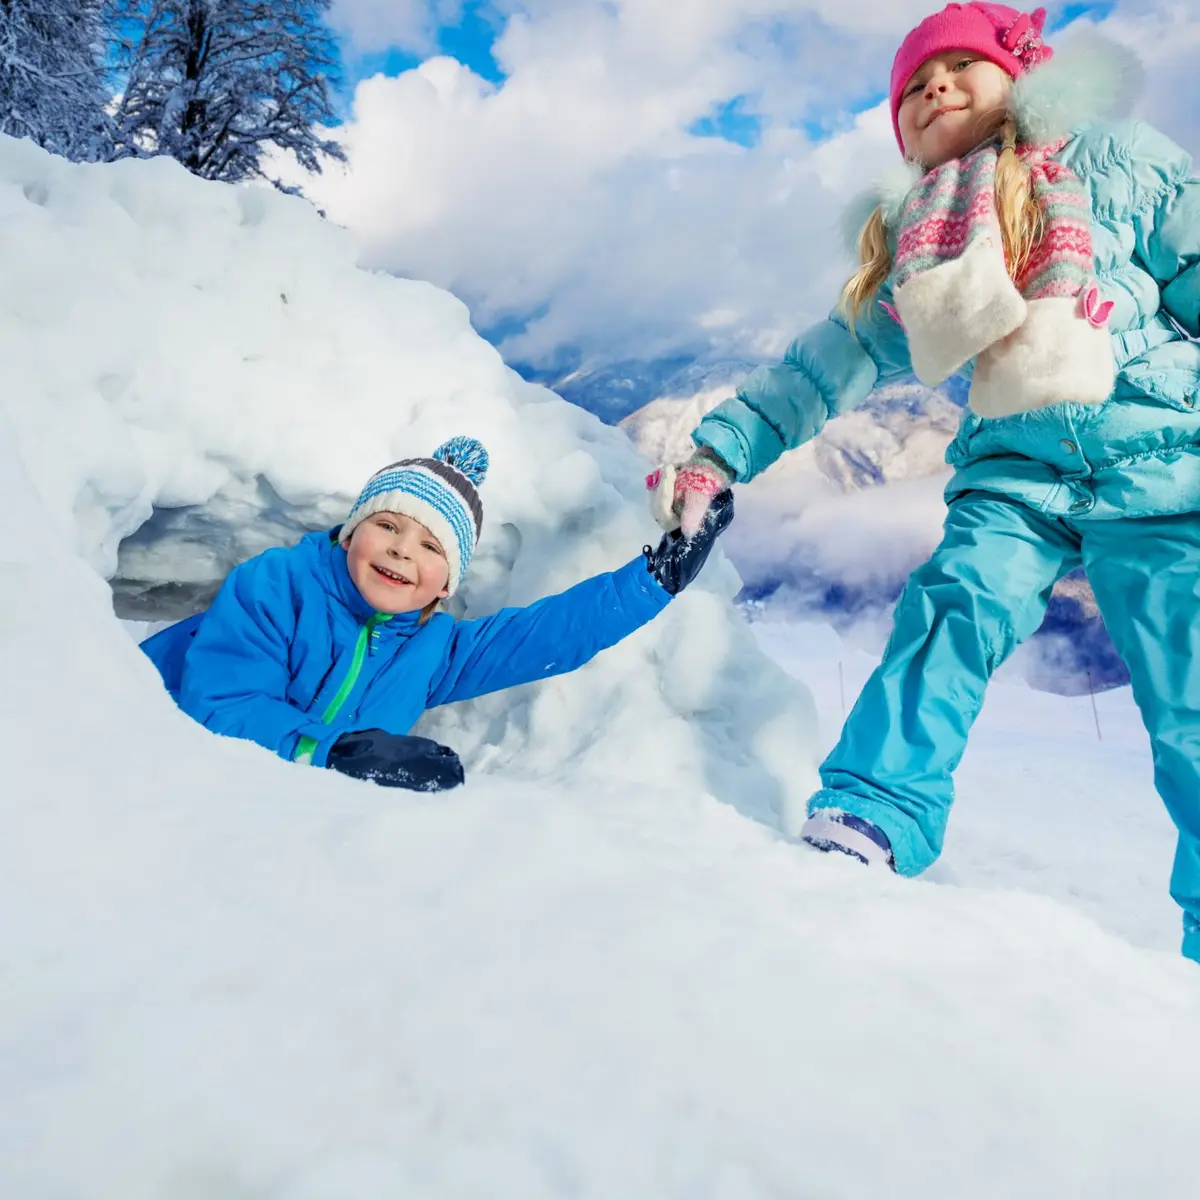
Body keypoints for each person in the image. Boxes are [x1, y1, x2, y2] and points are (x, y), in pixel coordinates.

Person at [648, 4, 1200, 963]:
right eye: (911, 86)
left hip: (1161, 464)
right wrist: (720, 450)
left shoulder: (1115, 164)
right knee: (950, 613)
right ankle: (871, 813)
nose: (934, 87)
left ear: (1018, 79)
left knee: (1189, 683)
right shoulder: (925, 241)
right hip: (1015, 479)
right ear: (902, 136)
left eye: (957, 68)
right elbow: (824, 366)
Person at [143, 436, 732, 791]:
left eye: (431, 547)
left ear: (445, 584)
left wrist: (659, 576)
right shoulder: (277, 587)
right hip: (145, 766)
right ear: (350, 534)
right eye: (386, 525)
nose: (402, 550)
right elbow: (220, 706)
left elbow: (547, 635)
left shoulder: (432, 650)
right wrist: (339, 752)